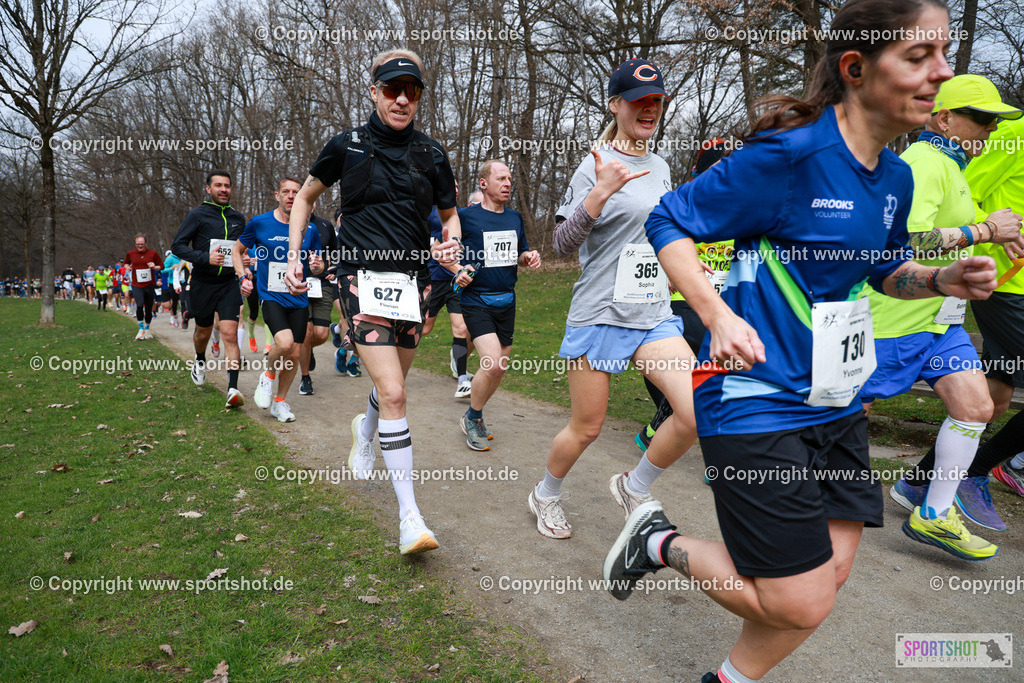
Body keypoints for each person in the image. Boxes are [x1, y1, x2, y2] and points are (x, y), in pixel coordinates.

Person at [602, 3, 998, 682]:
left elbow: (883, 268)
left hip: (834, 398)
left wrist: (940, 277)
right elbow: (670, 219)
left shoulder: (897, 178)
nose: (942, 74)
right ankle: (657, 539)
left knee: (828, 578)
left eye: (945, 54)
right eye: (919, 56)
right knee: (800, 595)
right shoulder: (789, 157)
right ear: (855, 68)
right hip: (754, 398)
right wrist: (716, 315)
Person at [284, 49, 462, 555]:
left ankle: (365, 429)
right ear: (374, 92)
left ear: (419, 97)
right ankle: (410, 518)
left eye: (412, 90)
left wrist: (449, 240)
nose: (402, 98)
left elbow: (450, 216)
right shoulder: (346, 146)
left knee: (393, 387)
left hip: (412, 283)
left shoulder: (432, 154)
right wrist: (297, 254)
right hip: (358, 277)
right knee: (397, 394)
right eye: (392, 89)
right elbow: (305, 198)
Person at [529, 57, 698, 540]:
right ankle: (546, 493)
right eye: (639, 101)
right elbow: (561, 245)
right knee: (587, 428)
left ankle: (633, 485)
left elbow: (656, 235)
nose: (649, 109)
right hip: (600, 312)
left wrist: (679, 266)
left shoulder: (661, 165)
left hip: (653, 314)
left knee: (695, 410)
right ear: (615, 105)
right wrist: (598, 194)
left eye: (657, 101)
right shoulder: (594, 164)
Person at [862, 74, 1022, 548]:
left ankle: (933, 512)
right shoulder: (923, 163)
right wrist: (983, 231)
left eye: (996, 120)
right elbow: (904, 241)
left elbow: (956, 228)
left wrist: (995, 231)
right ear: (944, 116)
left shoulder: (953, 165)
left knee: (975, 407)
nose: (991, 129)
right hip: (894, 317)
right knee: (844, 415)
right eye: (982, 119)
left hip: (942, 321)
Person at [637, 140, 733, 452]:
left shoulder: (743, 206)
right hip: (680, 299)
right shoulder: (683, 205)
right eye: (718, 169)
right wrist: (669, 272)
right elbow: (653, 241)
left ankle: (662, 423)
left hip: (723, 303)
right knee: (704, 357)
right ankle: (721, 450)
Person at [960, 109, 1024, 500]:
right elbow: (965, 195)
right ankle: (979, 470)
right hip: (1003, 283)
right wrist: (992, 229)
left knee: (993, 397)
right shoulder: (1013, 135)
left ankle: (919, 482)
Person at [455, 160, 541, 449]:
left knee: (500, 366)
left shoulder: (514, 218)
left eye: (509, 179)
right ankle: (474, 417)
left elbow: (519, 253)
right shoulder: (465, 217)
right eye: (501, 178)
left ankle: (472, 413)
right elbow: (440, 249)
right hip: (476, 299)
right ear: (483, 183)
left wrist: (528, 257)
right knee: (491, 362)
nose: (507, 183)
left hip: (507, 300)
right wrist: (457, 269)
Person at [236, 177, 323, 422]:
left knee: (295, 354)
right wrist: (243, 276)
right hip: (271, 295)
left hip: (298, 298)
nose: (291, 196)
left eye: (296, 192)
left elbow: (317, 265)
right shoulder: (260, 223)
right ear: (277, 195)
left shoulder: (310, 229)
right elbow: (236, 250)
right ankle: (268, 376)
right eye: (286, 191)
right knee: (284, 344)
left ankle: (280, 402)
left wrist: (317, 266)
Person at [171, 170, 247, 407]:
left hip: (228, 284)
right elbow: (178, 246)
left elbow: (241, 249)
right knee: (203, 333)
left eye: (227, 186)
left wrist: (245, 260)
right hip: (203, 283)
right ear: (208, 189)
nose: (223, 189)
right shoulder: (197, 215)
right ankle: (200, 359)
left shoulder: (238, 218)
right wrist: (204, 257)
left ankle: (233, 389)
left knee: (230, 334)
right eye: (218, 185)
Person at [423, 198, 475, 398]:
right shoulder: (434, 215)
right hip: (435, 280)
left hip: (455, 282)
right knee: (425, 328)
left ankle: (462, 379)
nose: (452, 189)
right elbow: (433, 247)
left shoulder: (459, 216)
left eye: (455, 186)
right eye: (449, 185)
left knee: (461, 329)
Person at [298, 203, 340, 396]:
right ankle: (305, 378)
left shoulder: (325, 226)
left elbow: (335, 252)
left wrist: (333, 269)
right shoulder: (291, 224)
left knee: (321, 335)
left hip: (322, 284)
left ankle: (306, 350)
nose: (311, 204)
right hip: (299, 285)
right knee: (306, 334)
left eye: (314, 200)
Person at [124, 235, 163, 339]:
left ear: (145, 244)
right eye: (138, 244)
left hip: (149, 285)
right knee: (140, 304)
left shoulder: (152, 253)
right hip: (137, 285)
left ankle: (147, 329)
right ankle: (141, 328)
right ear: (135, 244)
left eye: (142, 244)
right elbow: (126, 263)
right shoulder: (131, 253)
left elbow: (161, 266)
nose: (140, 246)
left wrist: (154, 267)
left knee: (149, 307)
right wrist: (128, 267)